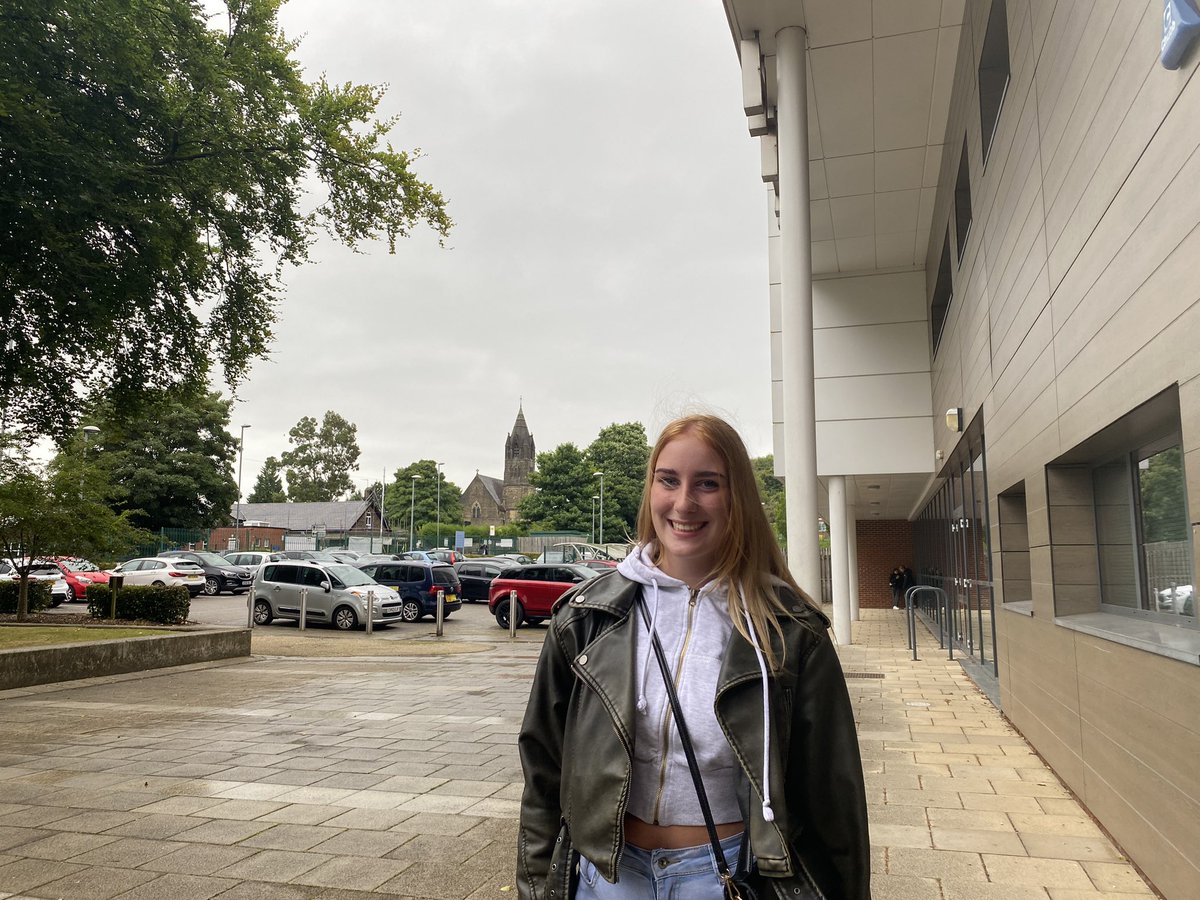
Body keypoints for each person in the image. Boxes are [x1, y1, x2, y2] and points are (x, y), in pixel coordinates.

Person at [516, 414, 870, 900]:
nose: (684, 503)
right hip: (605, 881)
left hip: (725, 879)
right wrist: (537, 887)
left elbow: (833, 801)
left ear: (737, 497)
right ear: (651, 488)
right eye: (668, 480)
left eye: (708, 483)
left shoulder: (791, 631)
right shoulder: (585, 617)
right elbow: (543, 773)